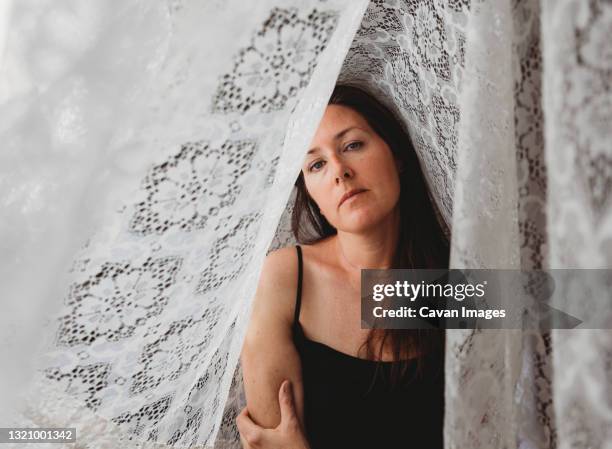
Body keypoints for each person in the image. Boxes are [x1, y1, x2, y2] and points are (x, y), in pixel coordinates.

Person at [237, 84, 449, 449]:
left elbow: (575, 303)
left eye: (352, 145)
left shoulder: (447, 282)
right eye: (316, 164)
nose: (339, 171)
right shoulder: (287, 279)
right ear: (312, 196)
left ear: (396, 155)